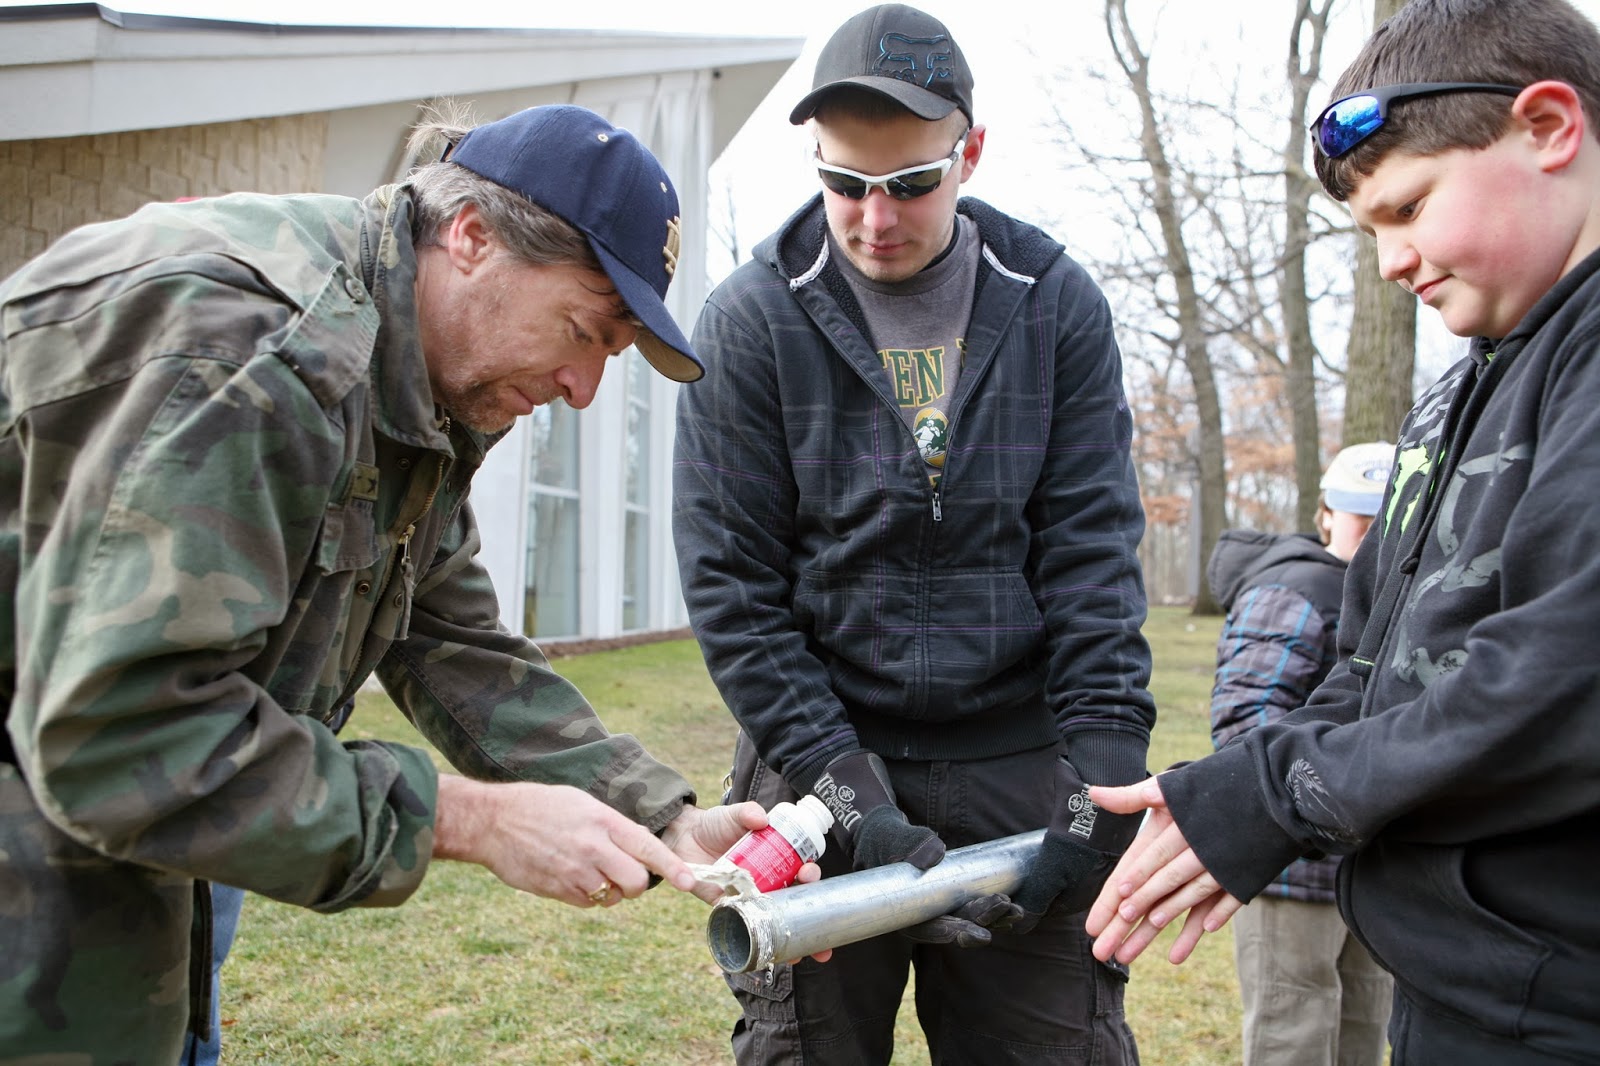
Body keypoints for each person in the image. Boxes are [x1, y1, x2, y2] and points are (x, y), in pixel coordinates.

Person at [0, 102, 794, 1062]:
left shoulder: (410, 381)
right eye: (584, 331)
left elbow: (450, 637)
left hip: (140, 843)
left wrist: (661, 814)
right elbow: (122, 733)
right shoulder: (261, 352)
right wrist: (474, 820)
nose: (583, 391)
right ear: (472, 238)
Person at [1085, 0, 1600, 1061]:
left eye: (1409, 207)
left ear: (1550, 127)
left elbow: (1560, 678)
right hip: (1456, 986)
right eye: (1371, 231)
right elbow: (1373, 667)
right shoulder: (1459, 393)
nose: (1390, 262)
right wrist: (1241, 786)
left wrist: (1280, 796)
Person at [672, 5, 1156, 1062]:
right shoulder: (752, 321)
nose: (874, 218)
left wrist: (1100, 785)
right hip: (819, 766)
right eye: (843, 183)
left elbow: (1091, 562)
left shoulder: (1053, 306)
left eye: (910, 183)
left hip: (1018, 765)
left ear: (968, 152)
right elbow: (735, 594)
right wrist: (846, 792)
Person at [1206, 442, 1397, 1066]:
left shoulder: (1396, 599)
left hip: (1371, 864)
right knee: (1294, 1037)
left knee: (1364, 1033)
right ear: (1327, 513)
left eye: (1388, 514)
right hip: (1293, 866)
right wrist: (1317, 817)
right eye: (1359, 514)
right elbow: (1245, 723)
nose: (1373, 530)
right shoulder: (1294, 589)